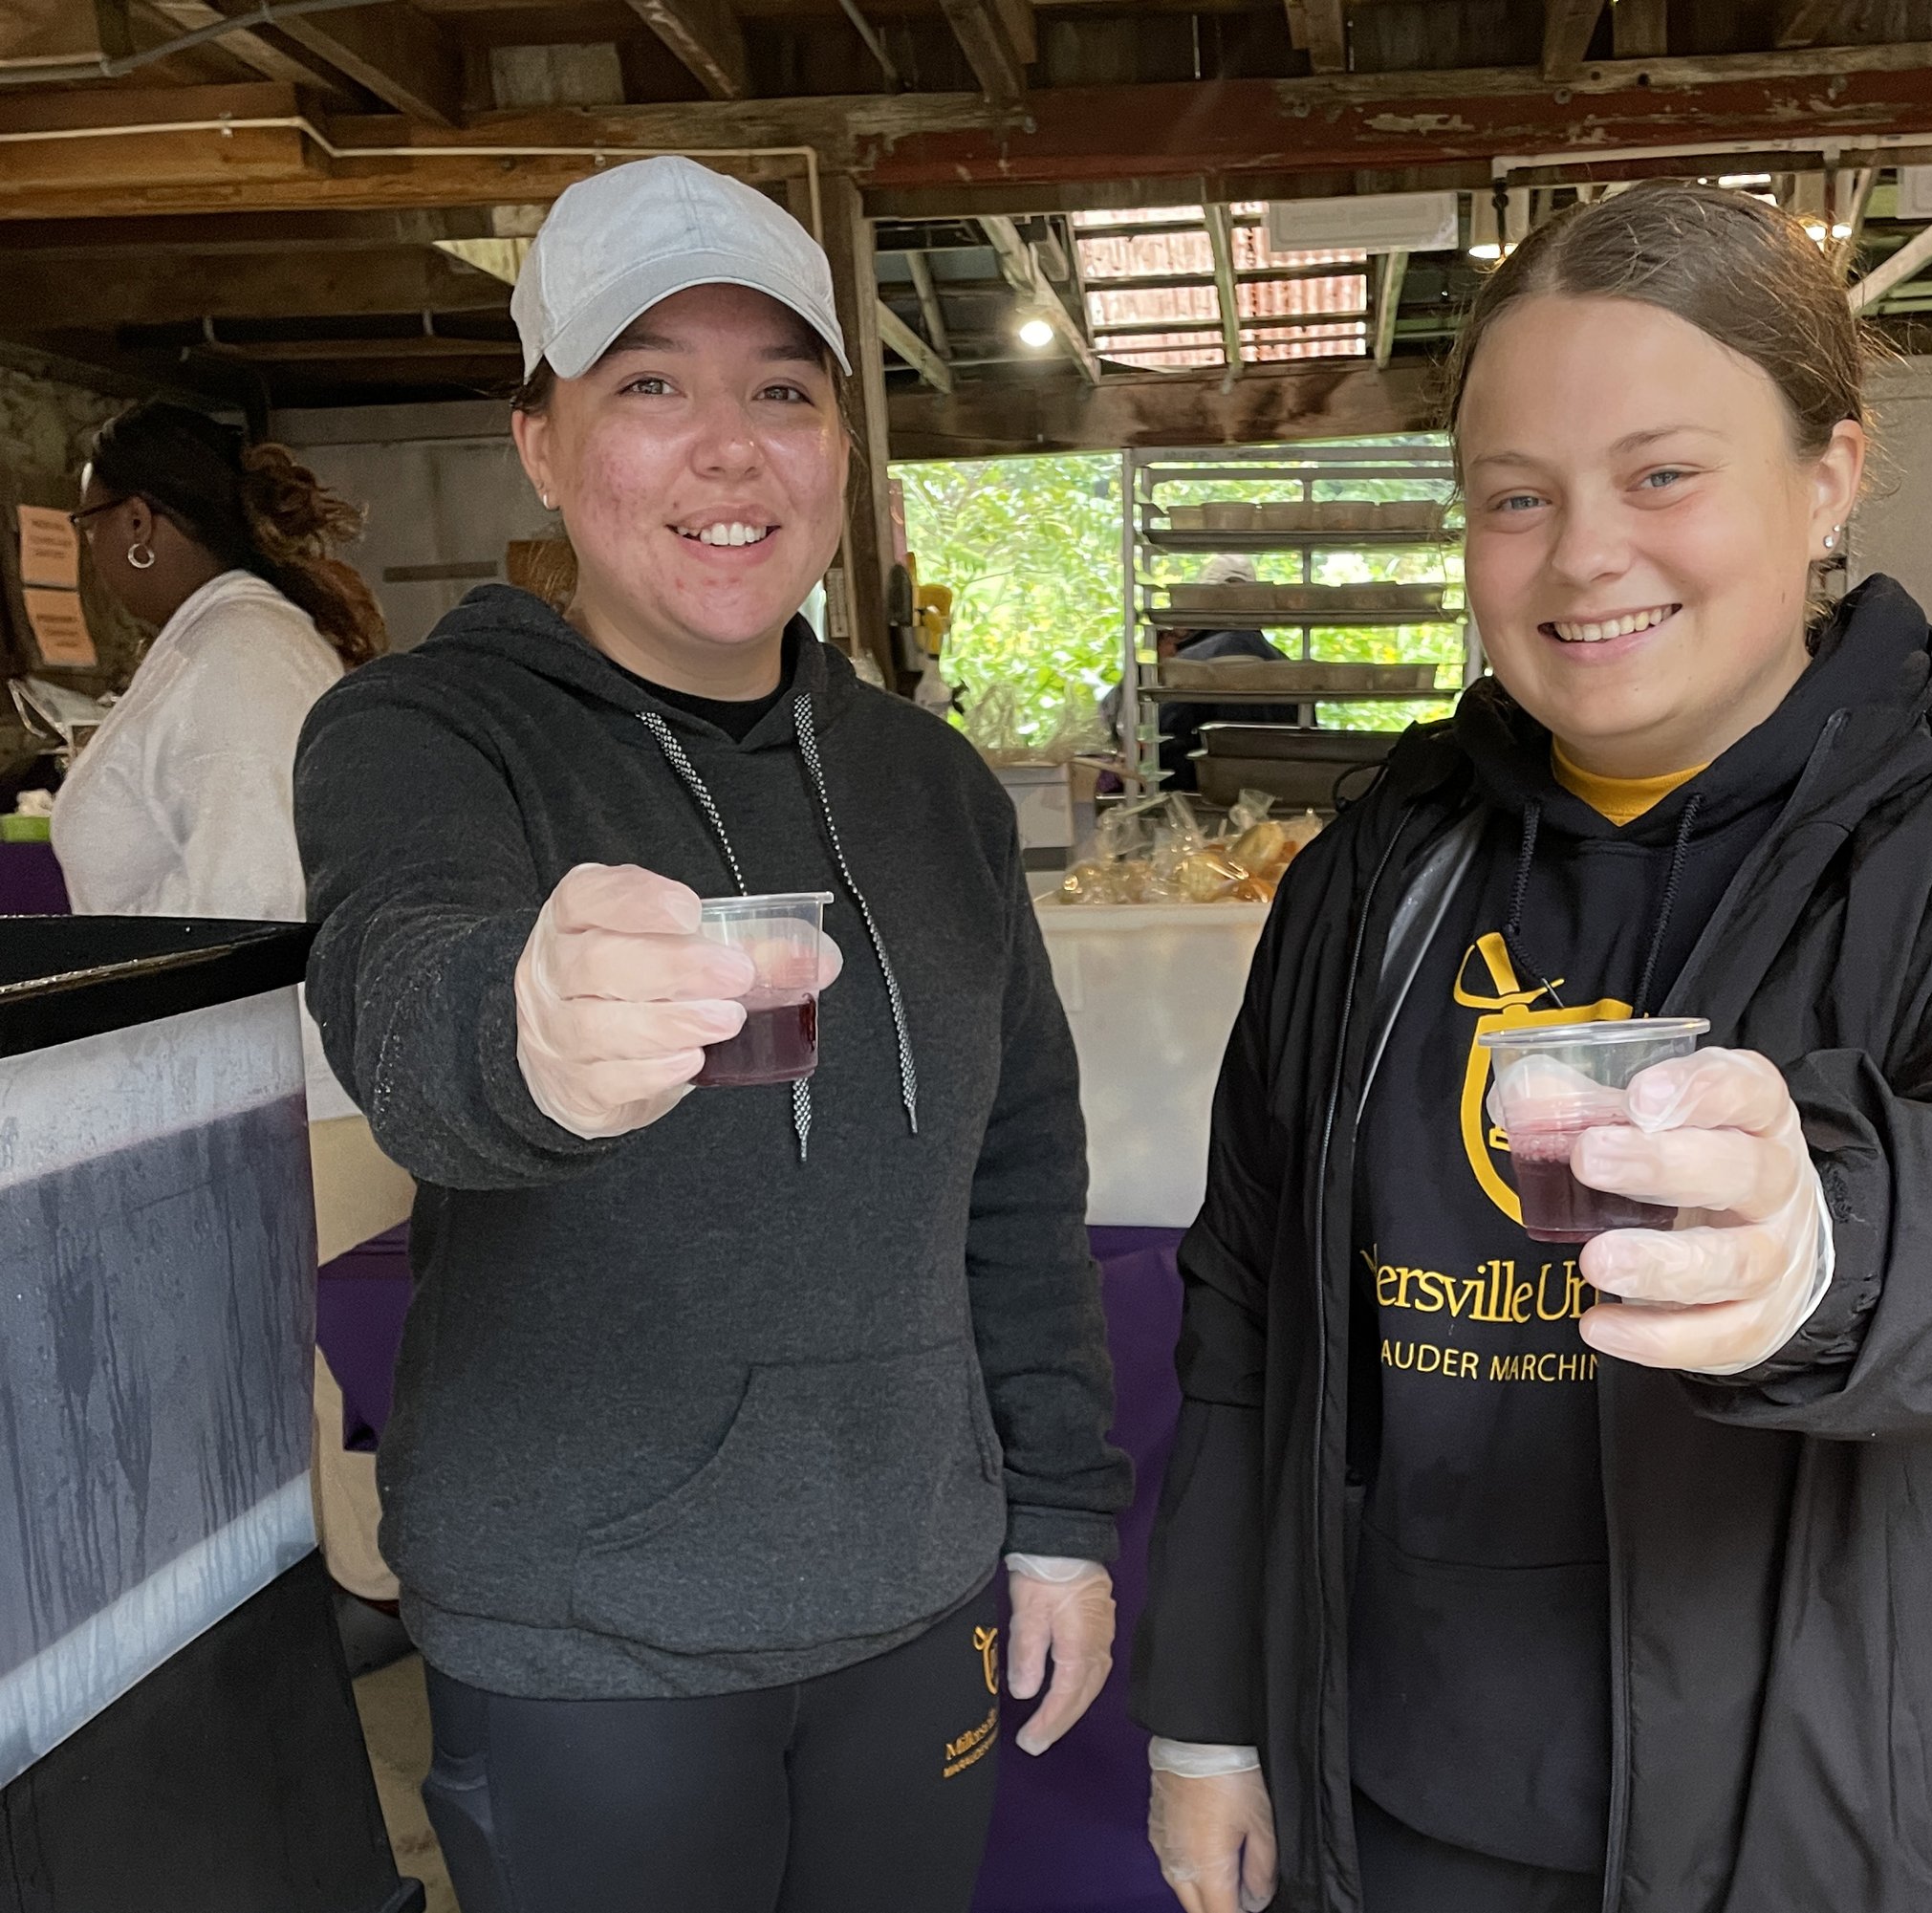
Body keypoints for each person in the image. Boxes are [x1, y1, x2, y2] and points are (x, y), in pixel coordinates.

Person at [1133, 182, 1932, 1913]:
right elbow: (1252, 1301)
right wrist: (1205, 1717)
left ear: (1828, 476)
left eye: (1663, 474)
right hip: (1418, 1807)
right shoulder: (1377, 871)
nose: (1582, 556)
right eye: (1515, 497)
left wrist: (1824, 1246)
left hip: (1835, 1823)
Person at [293, 156, 1130, 1913]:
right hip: (586, 1630)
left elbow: (1019, 1172)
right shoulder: (427, 732)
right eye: (650, 385)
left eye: (781, 391)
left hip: (914, 1587)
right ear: (539, 440)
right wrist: (521, 1028)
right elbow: (404, 975)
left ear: (840, 447)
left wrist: (1056, 1517)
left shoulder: (930, 786)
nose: (728, 448)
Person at [52, 401, 415, 1637]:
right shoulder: (222, 648)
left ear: (143, 523)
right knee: (294, 1373)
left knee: (308, 1374)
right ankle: (351, 1594)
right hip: (275, 1085)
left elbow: (260, 901)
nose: (93, 555)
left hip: (291, 1089)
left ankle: (368, 1597)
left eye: (94, 524)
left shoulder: (240, 660)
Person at [1105, 554, 1299, 789]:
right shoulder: (1289, 671)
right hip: (1277, 803)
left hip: (1191, 803)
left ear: (1199, 601)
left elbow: (1144, 745)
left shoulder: (1187, 666)